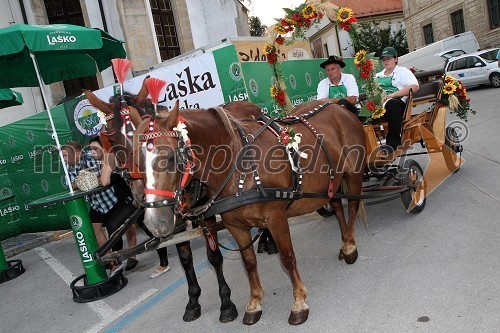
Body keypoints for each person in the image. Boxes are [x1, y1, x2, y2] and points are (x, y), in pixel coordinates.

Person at [88, 137, 172, 279]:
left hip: (131, 199)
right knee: (147, 230)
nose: (92, 152)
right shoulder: (102, 162)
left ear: (104, 148)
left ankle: (119, 263)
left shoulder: (111, 157)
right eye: (90, 149)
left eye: (95, 148)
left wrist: (98, 179)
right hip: (128, 199)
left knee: (114, 227)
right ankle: (120, 263)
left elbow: (105, 180)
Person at [375, 46, 419, 151]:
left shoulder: (402, 71)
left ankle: (393, 142)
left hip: (398, 105)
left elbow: (414, 87)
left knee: (392, 104)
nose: (386, 61)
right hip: (380, 107)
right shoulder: (377, 75)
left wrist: (393, 95)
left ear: (395, 59)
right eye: (384, 59)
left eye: (388, 58)